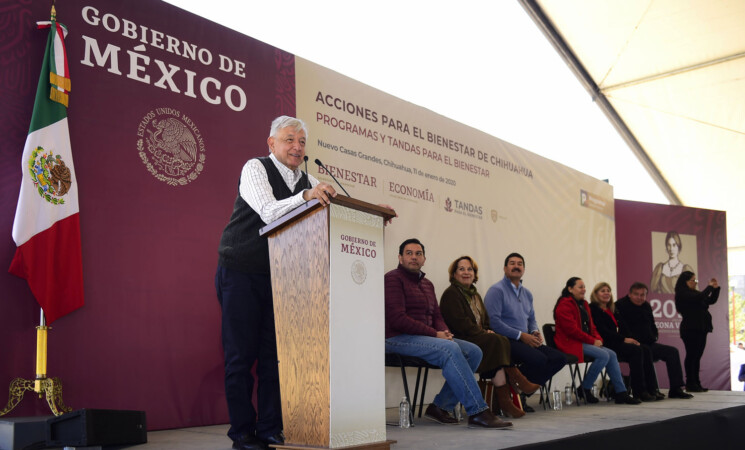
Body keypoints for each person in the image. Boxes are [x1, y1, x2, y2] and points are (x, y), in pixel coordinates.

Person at [215, 116, 340, 450]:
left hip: (283, 278)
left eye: (301, 141)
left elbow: (326, 214)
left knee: (276, 358)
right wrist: (307, 197)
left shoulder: (308, 179)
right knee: (240, 358)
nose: (297, 147)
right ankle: (242, 433)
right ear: (271, 143)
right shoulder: (255, 168)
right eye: (289, 140)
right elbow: (269, 212)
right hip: (240, 270)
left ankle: (271, 428)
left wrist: (362, 217)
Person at [385, 239, 512, 429]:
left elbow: (436, 314)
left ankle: (439, 407)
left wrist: (444, 331)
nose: (414, 257)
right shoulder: (393, 278)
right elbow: (397, 318)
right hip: (396, 338)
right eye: (409, 253)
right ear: (400, 257)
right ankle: (478, 411)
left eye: (418, 253)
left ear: (424, 259)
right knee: (449, 349)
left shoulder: (427, 284)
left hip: (425, 338)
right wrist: (435, 334)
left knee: (474, 351)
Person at [440, 256, 540, 418]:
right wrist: (485, 333)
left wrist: (487, 331)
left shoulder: (475, 294)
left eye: (470, 269)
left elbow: (486, 321)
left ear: (474, 273)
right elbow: (460, 324)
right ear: (454, 274)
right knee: (497, 341)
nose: (466, 272)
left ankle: (506, 400)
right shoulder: (451, 294)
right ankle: (517, 381)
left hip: (477, 337)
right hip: (460, 338)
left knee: (497, 342)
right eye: (462, 269)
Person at [483, 253, 567, 395]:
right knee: (539, 359)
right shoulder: (496, 291)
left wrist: (534, 331)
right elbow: (494, 322)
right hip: (504, 340)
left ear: (524, 269)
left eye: (520, 264)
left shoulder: (527, 293)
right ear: (504, 268)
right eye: (512, 263)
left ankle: (519, 391)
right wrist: (521, 335)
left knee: (559, 358)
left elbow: (531, 318)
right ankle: (516, 389)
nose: (516, 266)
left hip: (524, 339)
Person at [553, 277, 640, 404]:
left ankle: (621, 392)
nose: (583, 289)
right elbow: (572, 331)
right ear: (570, 289)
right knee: (603, 355)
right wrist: (592, 341)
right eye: (580, 287)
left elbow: (592, 326)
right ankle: (585, 388)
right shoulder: (564, 305)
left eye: (584, 287)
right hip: (570, 342)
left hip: (583, 341)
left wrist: (598, 339)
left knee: (611, 354)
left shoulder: (584, 304)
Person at [615, 282, 693, 399]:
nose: (640, 298)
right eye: (636, 294)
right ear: (629, 294)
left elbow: (652, 324)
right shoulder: (619, 306)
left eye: (643, 295)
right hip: (631, 345)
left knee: (672, 352)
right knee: (645, 351)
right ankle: (651, 390)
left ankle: (676, 389)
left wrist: (654, 335)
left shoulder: (646, 306)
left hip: (649, 343)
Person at [589, 282, 660, 401]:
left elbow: (623, 326)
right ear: (595, 294)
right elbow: (603, 331)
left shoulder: (611, 308)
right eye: (603, 291)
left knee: (644, 349)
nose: (606, 293)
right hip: (605, 343)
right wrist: (624, 339)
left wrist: (631, 339)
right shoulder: (593, 309)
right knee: (636, 351)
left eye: (608, 290)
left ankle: (651, 389)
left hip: (617, 341)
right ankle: (639, 391)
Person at [674, 271, 720, 392]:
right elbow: (699, 297)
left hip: (701, 327)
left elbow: (710, 301)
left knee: (697, 356)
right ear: (685, 282)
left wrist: (715, 289)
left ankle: (696, 382)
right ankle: (690, 383)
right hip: (690, 328)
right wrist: (709, 286)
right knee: (692, 355)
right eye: (692, 280)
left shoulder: (695, 293)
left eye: (696, 281)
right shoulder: (683, 294)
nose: (695, 283)